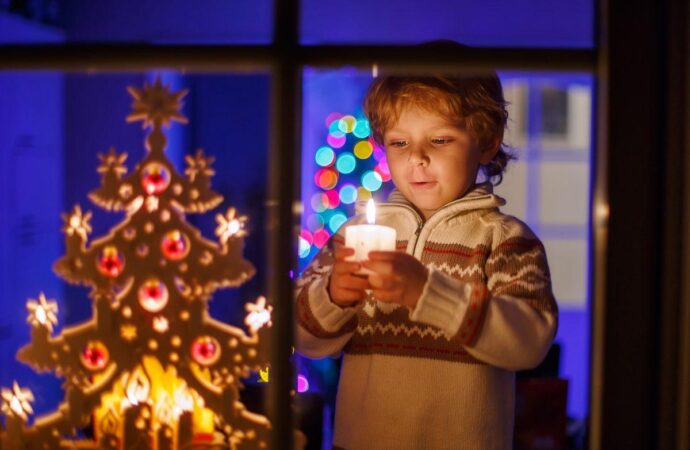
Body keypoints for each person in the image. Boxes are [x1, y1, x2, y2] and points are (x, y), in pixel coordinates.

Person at [295, 66, 559, 450]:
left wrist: (428, 293)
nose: (417, 157)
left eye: (439, 139)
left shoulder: (504, 240)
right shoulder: (351, 238)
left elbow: (530, 343)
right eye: (399, 143)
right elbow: (300, 335)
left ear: (486, 141)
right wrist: (334, 296)